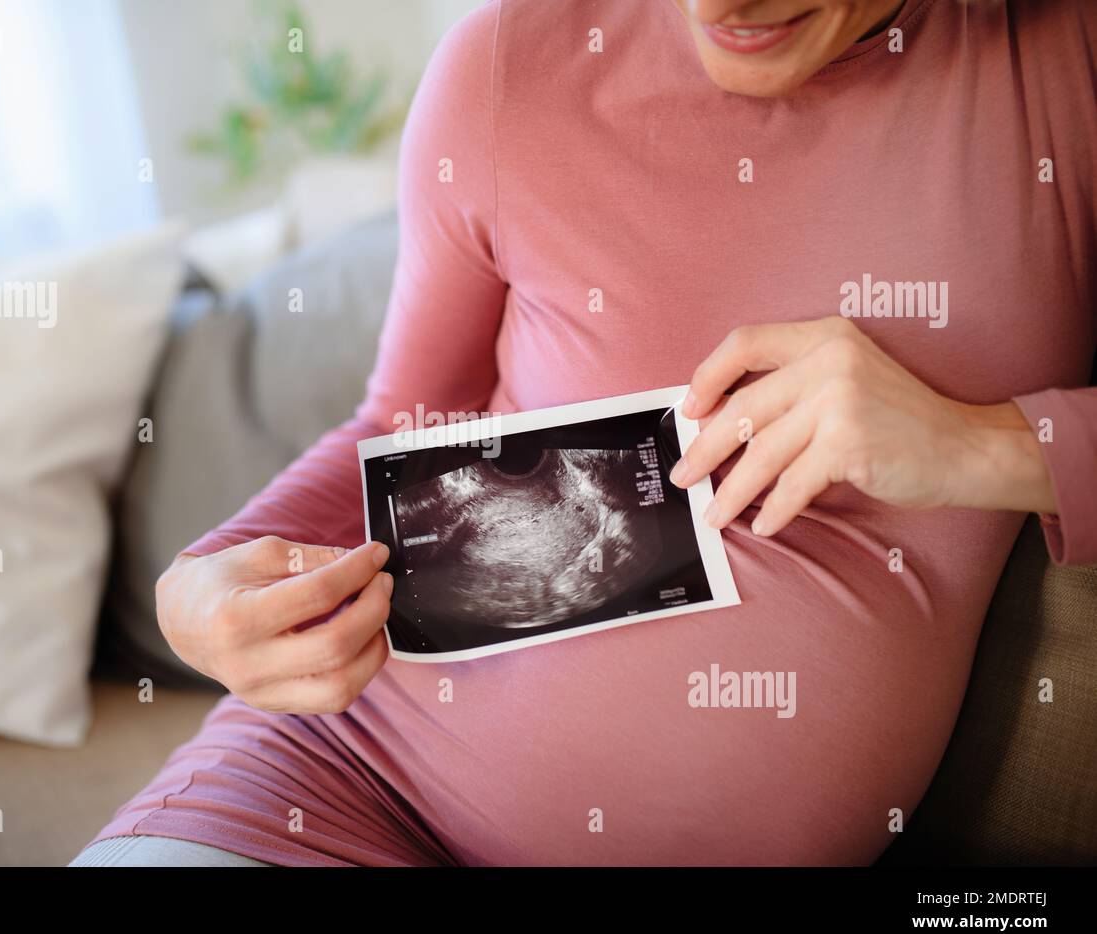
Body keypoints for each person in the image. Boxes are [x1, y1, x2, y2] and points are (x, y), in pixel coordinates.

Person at [71, 0, 1096, 866]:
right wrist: (196, 582)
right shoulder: (511, 62)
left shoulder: (1057, 66)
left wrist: (982, 442)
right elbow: (397, 420)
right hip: (340, 774)